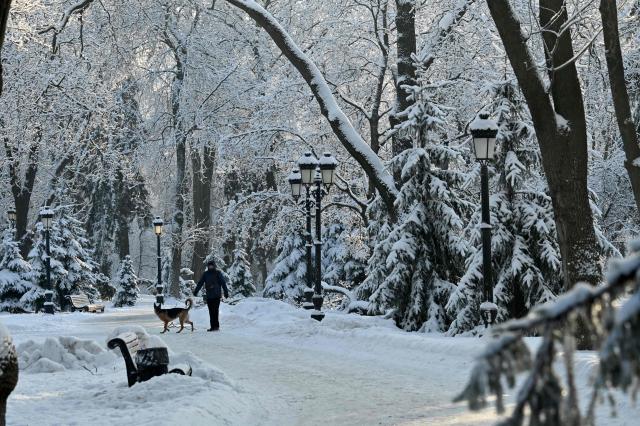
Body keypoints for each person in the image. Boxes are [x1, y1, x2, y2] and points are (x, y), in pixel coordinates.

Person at [194, 260, 229, 332]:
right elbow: (200, 283)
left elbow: (223, 283)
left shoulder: (218, 273)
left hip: (216, 295)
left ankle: (216, 326)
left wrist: (226, 292)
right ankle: (212, 326)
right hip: (209, 296)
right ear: (208, 266)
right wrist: (196, 290)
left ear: (214, 265)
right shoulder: (205, 274)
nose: (210, 267)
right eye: (209, 265)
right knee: (211, 311)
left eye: (211, 265)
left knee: (215, 311)